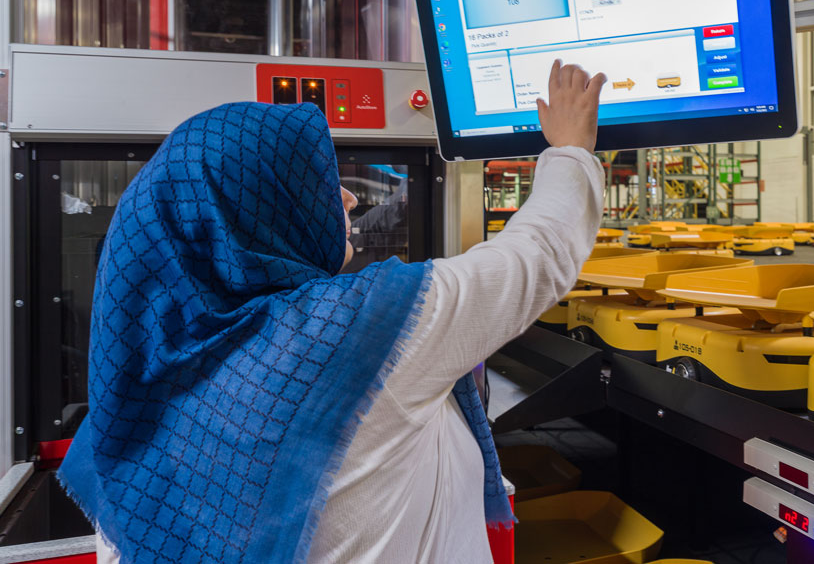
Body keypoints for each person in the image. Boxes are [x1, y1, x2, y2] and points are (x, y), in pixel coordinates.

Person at [59, 60, 608, 564]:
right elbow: (537, 255)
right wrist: (570, 147)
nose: (347, 198)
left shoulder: (147, 389)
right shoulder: (359, 331)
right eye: (316, 183)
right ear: (261, 213)